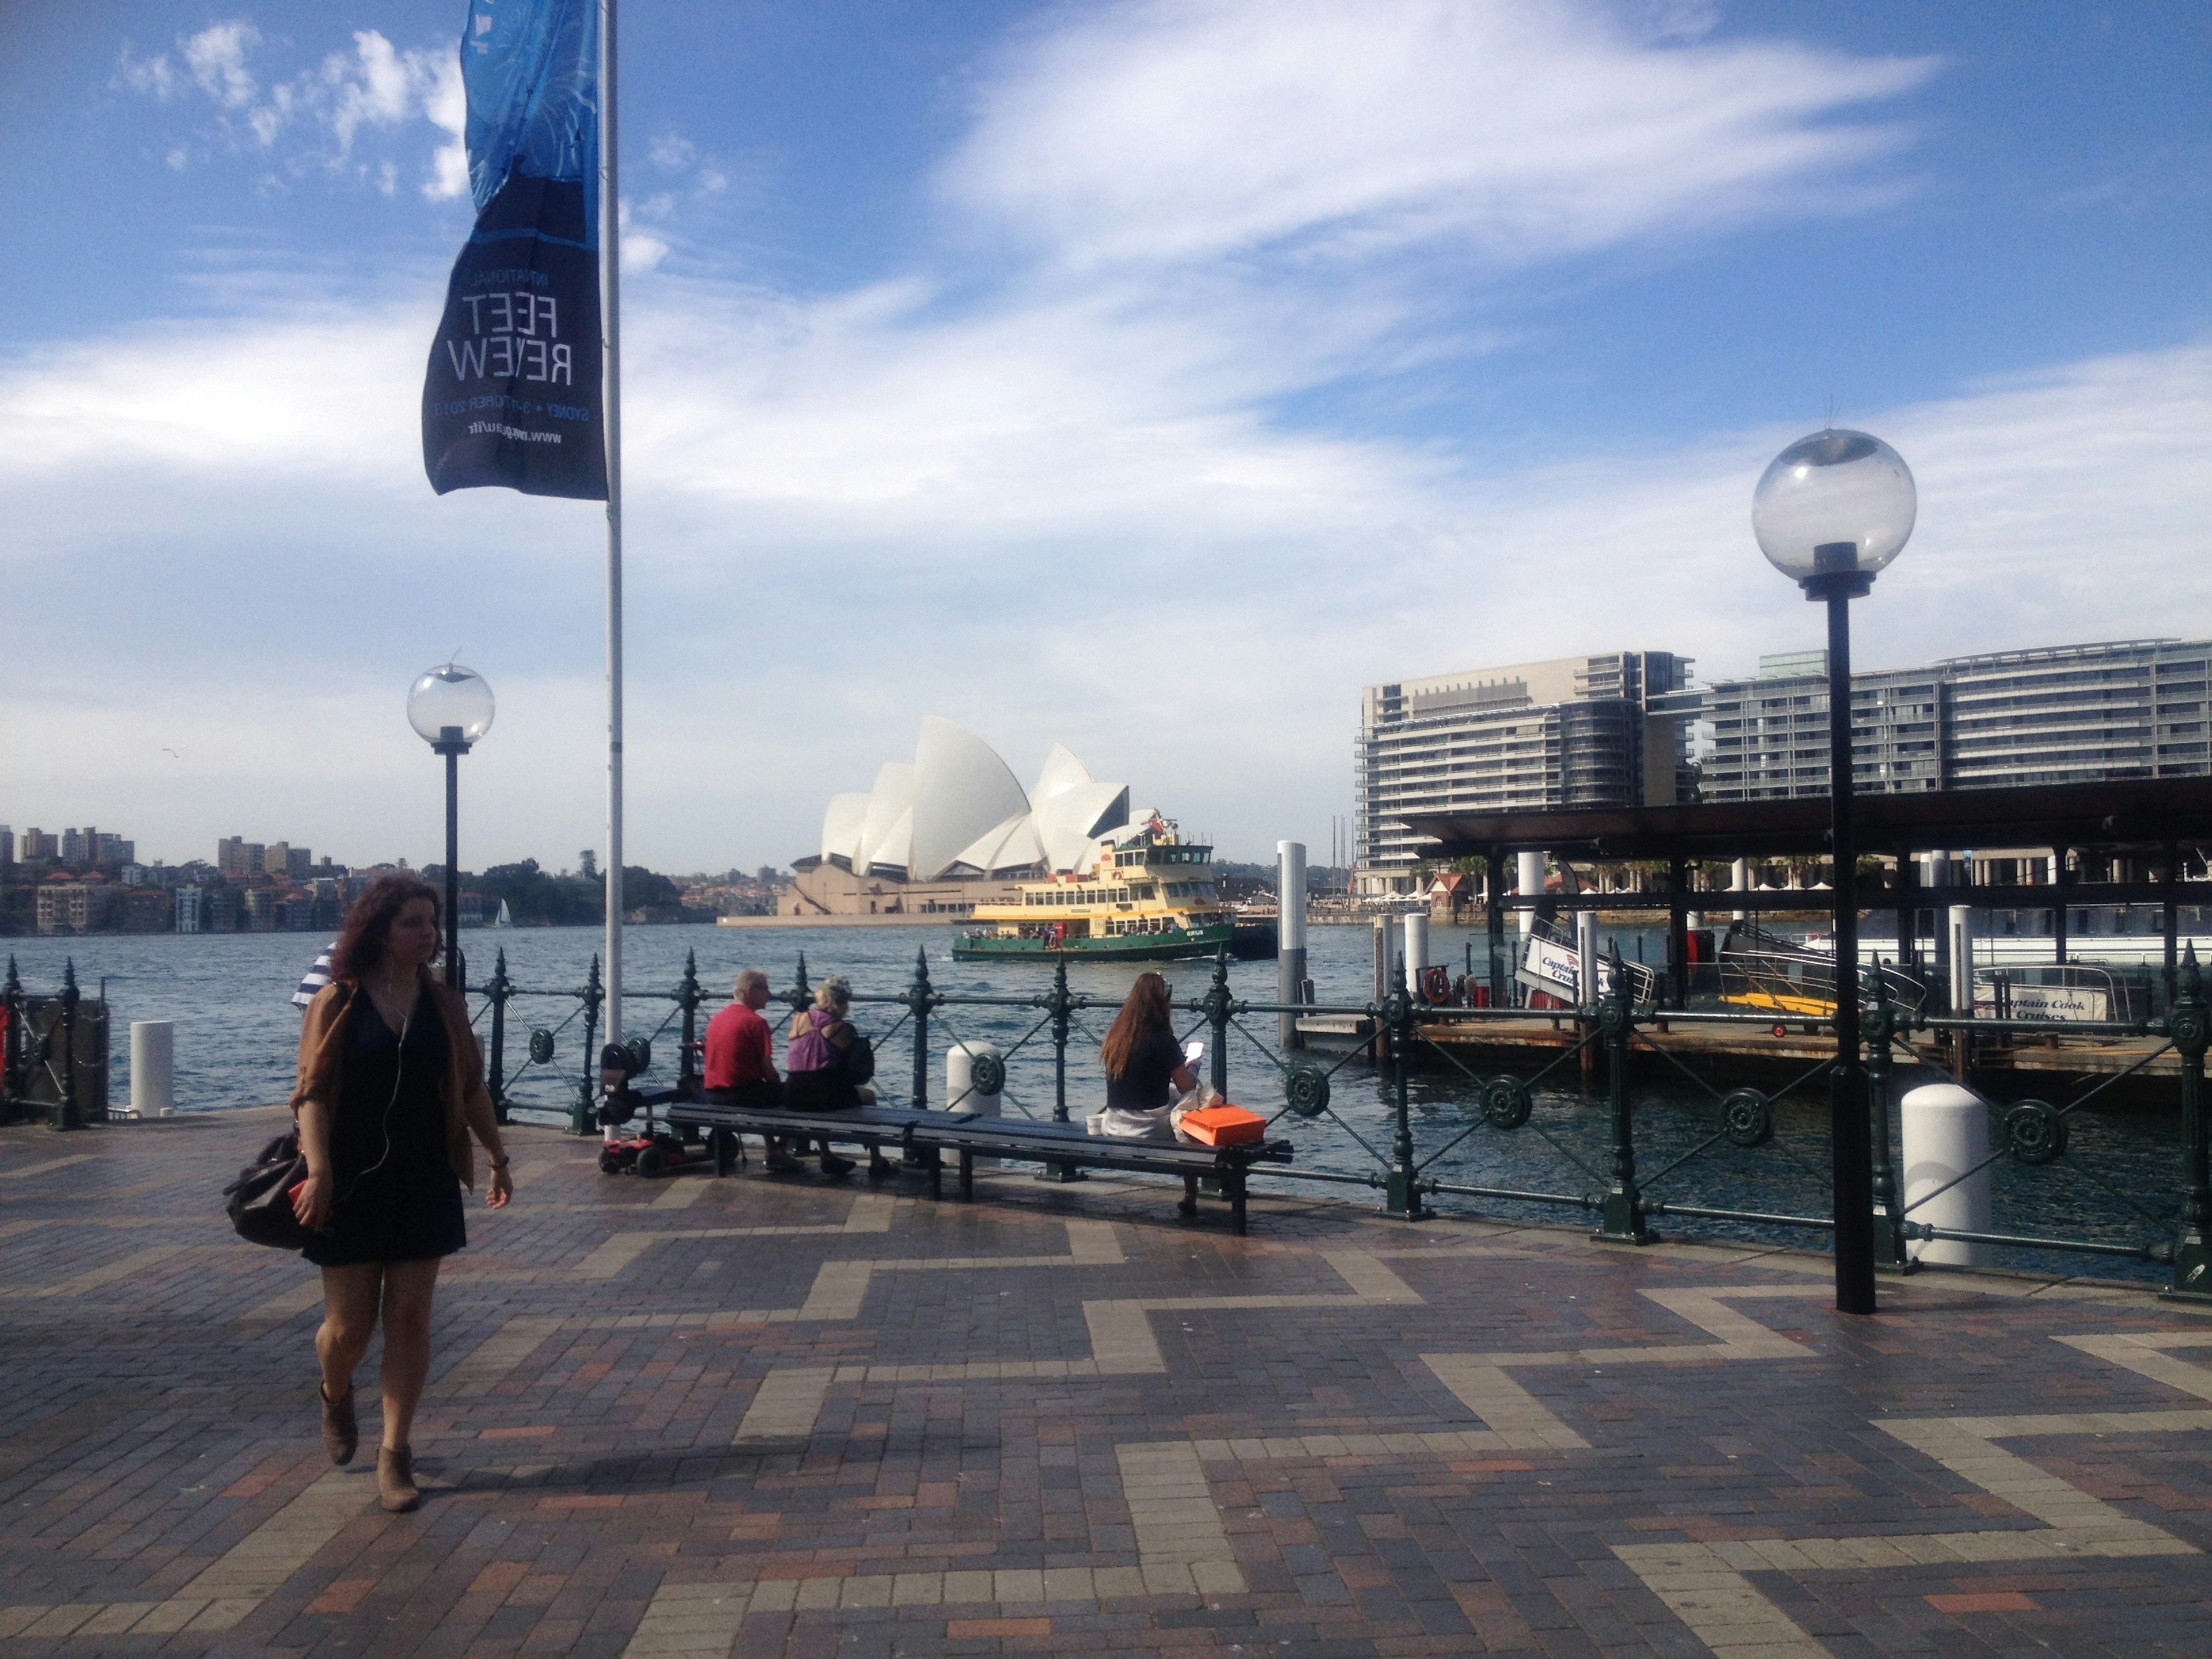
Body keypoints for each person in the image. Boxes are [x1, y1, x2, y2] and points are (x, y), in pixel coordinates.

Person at [289, 873, 513, 1514]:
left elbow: (470, 1087)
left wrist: (498, 1157)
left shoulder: (444, 1004)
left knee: (411, 1320)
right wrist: (321, 1170)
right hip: (351, 1179)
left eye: (432, 923)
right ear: (381, 930)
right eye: (413, 923)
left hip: (424, 1174)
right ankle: (335, 1388)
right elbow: (311, 1094)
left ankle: (396, 1452)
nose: (428, 934)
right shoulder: (337, 1001)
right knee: (350, 1327)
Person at [784, 976, 876, 1175]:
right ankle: (877, 1159)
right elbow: (851, 1072)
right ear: (843, 1003)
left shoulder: (799, 1019)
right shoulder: (843, 1029)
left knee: (817, 1090)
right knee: (869, 1097)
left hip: (793, 1092)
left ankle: (826, 1154)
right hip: (823, 1093)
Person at [702, 968, 790, 1171]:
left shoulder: (717, 1019)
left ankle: (772, 1148)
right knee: (797, 1096)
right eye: (765, 990)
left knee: (763, 1091)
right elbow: (768, 1070)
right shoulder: (756, 1023)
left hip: (713, 1094)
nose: (770, 994)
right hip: (740, 1095)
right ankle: (779, 1150)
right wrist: (781, 1084)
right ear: (751, 991)